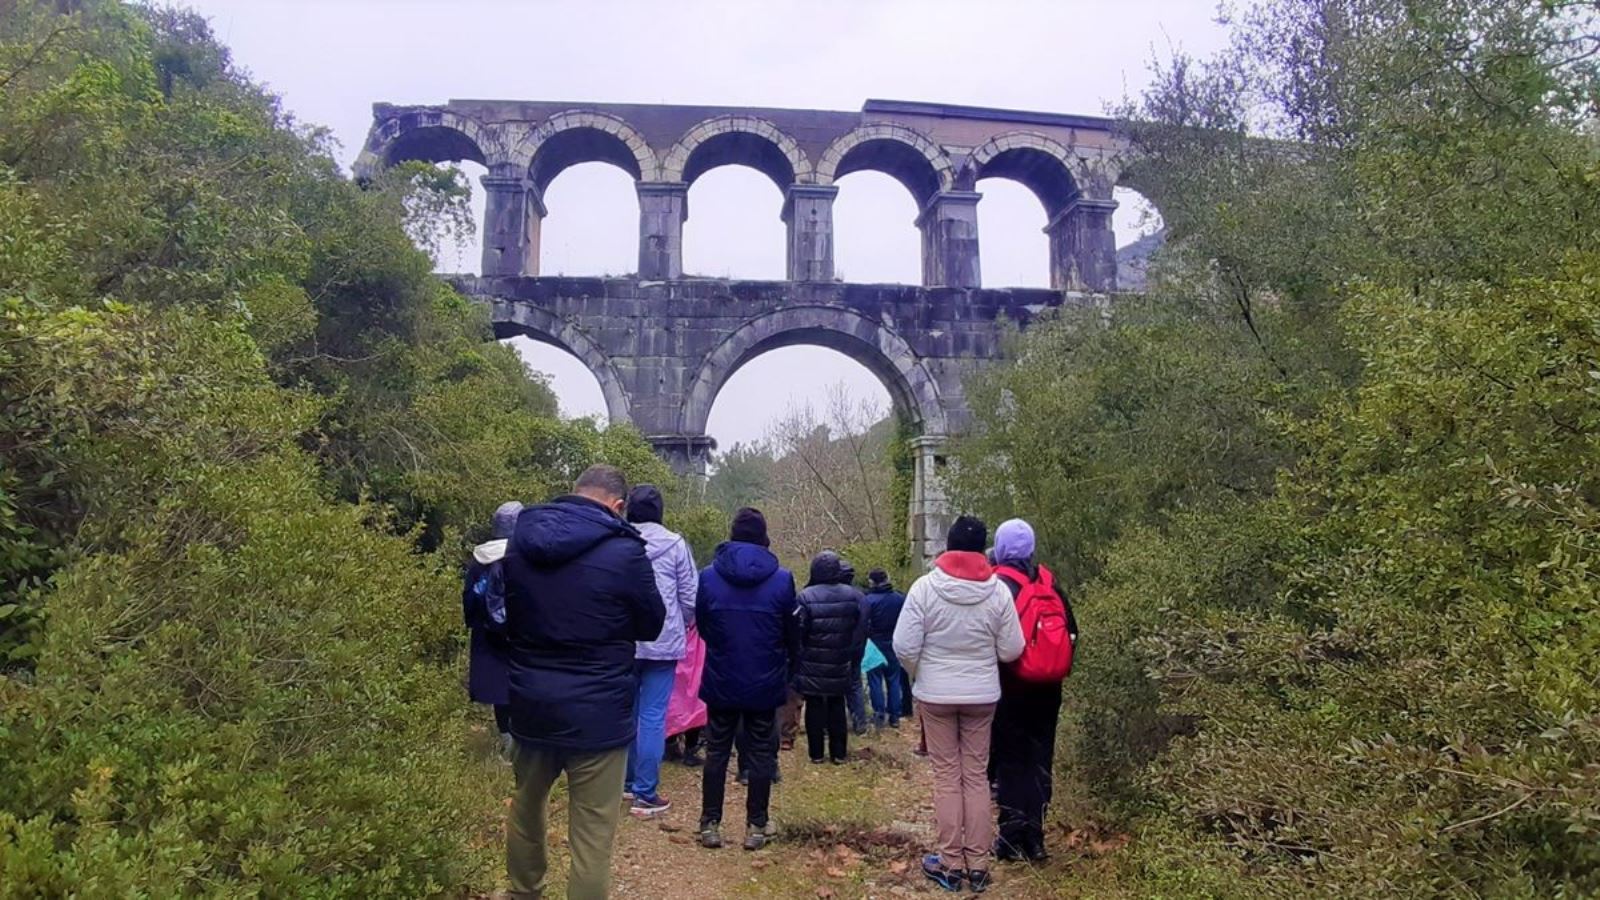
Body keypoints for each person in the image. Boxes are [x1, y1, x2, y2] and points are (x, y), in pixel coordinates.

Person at [501, 465, 666, 900]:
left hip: (532, 702)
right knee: (592, 835)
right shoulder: (625, 552)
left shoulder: (520, 541)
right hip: (599, 712)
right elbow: (652, 624)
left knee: (526, 805)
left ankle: (523, 892)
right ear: (617, 506)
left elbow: (506, 617)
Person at [894, 516, 1024, 894]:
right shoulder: (997, 591)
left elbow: (904, 645)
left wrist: (920, 673)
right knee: (976, 777)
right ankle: (979, 865)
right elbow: (1012, 648)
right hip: (982, 696)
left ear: (948, 547)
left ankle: (951, 864)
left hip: (935, 696)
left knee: (948, 777)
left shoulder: (925, 588)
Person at [695, 507, 797, 851]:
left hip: (722, 674)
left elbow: (704, 625)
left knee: (717, 751)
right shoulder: (782, 578)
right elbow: (789, 631)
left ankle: (710, 823)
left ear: (733, 533)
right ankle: (756, 824)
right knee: (761, 753)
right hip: (764, 677)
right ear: (763, 536)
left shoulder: (708, 576)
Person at [990, 519, 1078, 863]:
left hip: (1010, 686)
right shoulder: (1050, 583)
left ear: (1000, 547)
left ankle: (1011, 838)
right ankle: (1037, 838)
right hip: (1048, 687)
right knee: (1041, 758)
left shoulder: (998, 586)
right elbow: (1072, 632)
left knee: (1011, 760)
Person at [624, 485, 698, 817]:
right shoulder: (676, 544)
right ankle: (645, 793)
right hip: (663, 642)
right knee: (652, 716)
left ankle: (623, 785)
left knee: (625, 712)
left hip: (622, 641)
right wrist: (679, 626)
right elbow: (690, 598)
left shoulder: (617, 539)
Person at [792, 551, 870, 764]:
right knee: (837, 704)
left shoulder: (805, 597)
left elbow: (799, 632)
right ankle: (839, 753)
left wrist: (800, 659)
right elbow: (861, 630)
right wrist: (853, 655)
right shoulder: (856, 596)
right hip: (842, 659)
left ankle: (816, 754)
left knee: (815, 705)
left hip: (812, 661)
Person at [462, 501, 523, 756]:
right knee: (521, 688)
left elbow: (468, 599)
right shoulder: (523, 557)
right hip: (519, 635)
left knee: (499, 693)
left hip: (488, 637)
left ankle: (507, 745)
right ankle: (522, 746)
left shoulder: (480, 559)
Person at [864, 568, 906, 728]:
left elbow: (864, 623)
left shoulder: (868, 600)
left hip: (874, 643)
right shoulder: (900, 599)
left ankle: (879, 715)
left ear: (872, 582)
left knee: (874, 680)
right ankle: (895, 716)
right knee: (894, 680)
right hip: (894, 642)